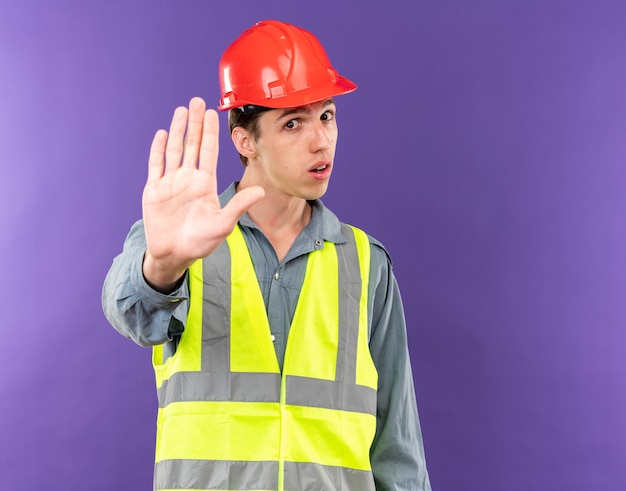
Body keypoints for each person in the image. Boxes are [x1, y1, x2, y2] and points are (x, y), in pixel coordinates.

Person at [102, 19, 431, 491]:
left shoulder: (366, 262)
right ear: (245, 141)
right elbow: (130, 312)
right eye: (293, 122)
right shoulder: (182, 238)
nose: (321, 140)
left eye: (327, 115)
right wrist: (164, 266)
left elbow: (397, 447)